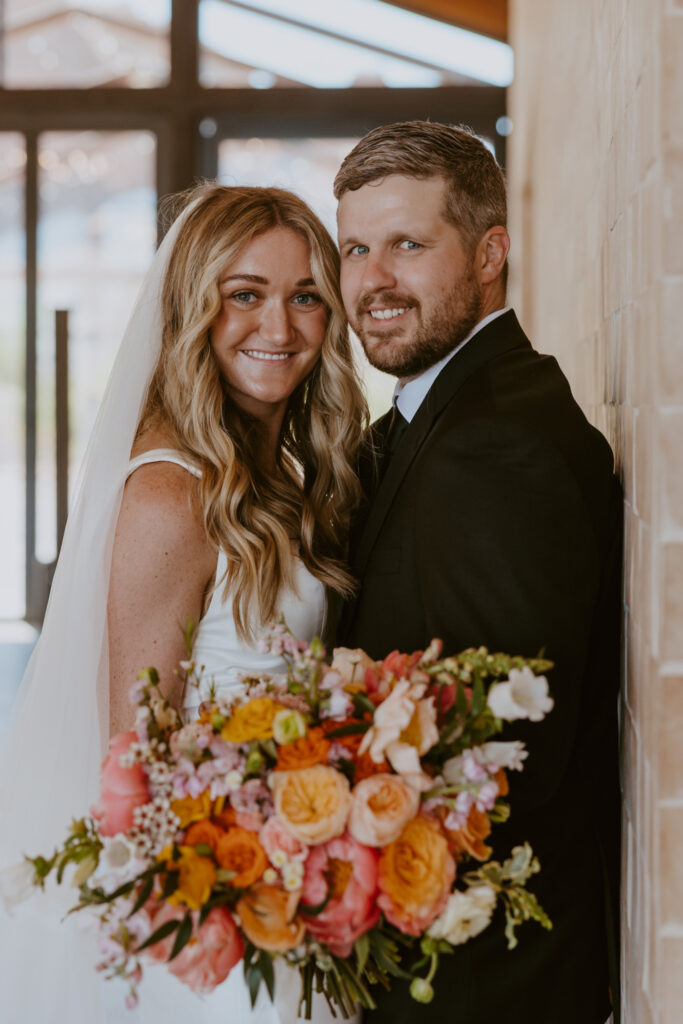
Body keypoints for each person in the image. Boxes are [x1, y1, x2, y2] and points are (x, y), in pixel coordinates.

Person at [0, 183, 367, 1024]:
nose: (277, 329)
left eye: (305, 297)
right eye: (244, 295)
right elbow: (137, 760)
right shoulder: (172, 496)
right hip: (214, 914)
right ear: (191, 307)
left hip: (283, 887)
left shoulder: (279, 480)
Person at [334, 121, 621, 1024]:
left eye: (408, 246)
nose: (373, 281)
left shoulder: (493, 443)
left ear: (490, 251)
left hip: (478, 986)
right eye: (354, 249)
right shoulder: (438, 418)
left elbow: (500, 760)